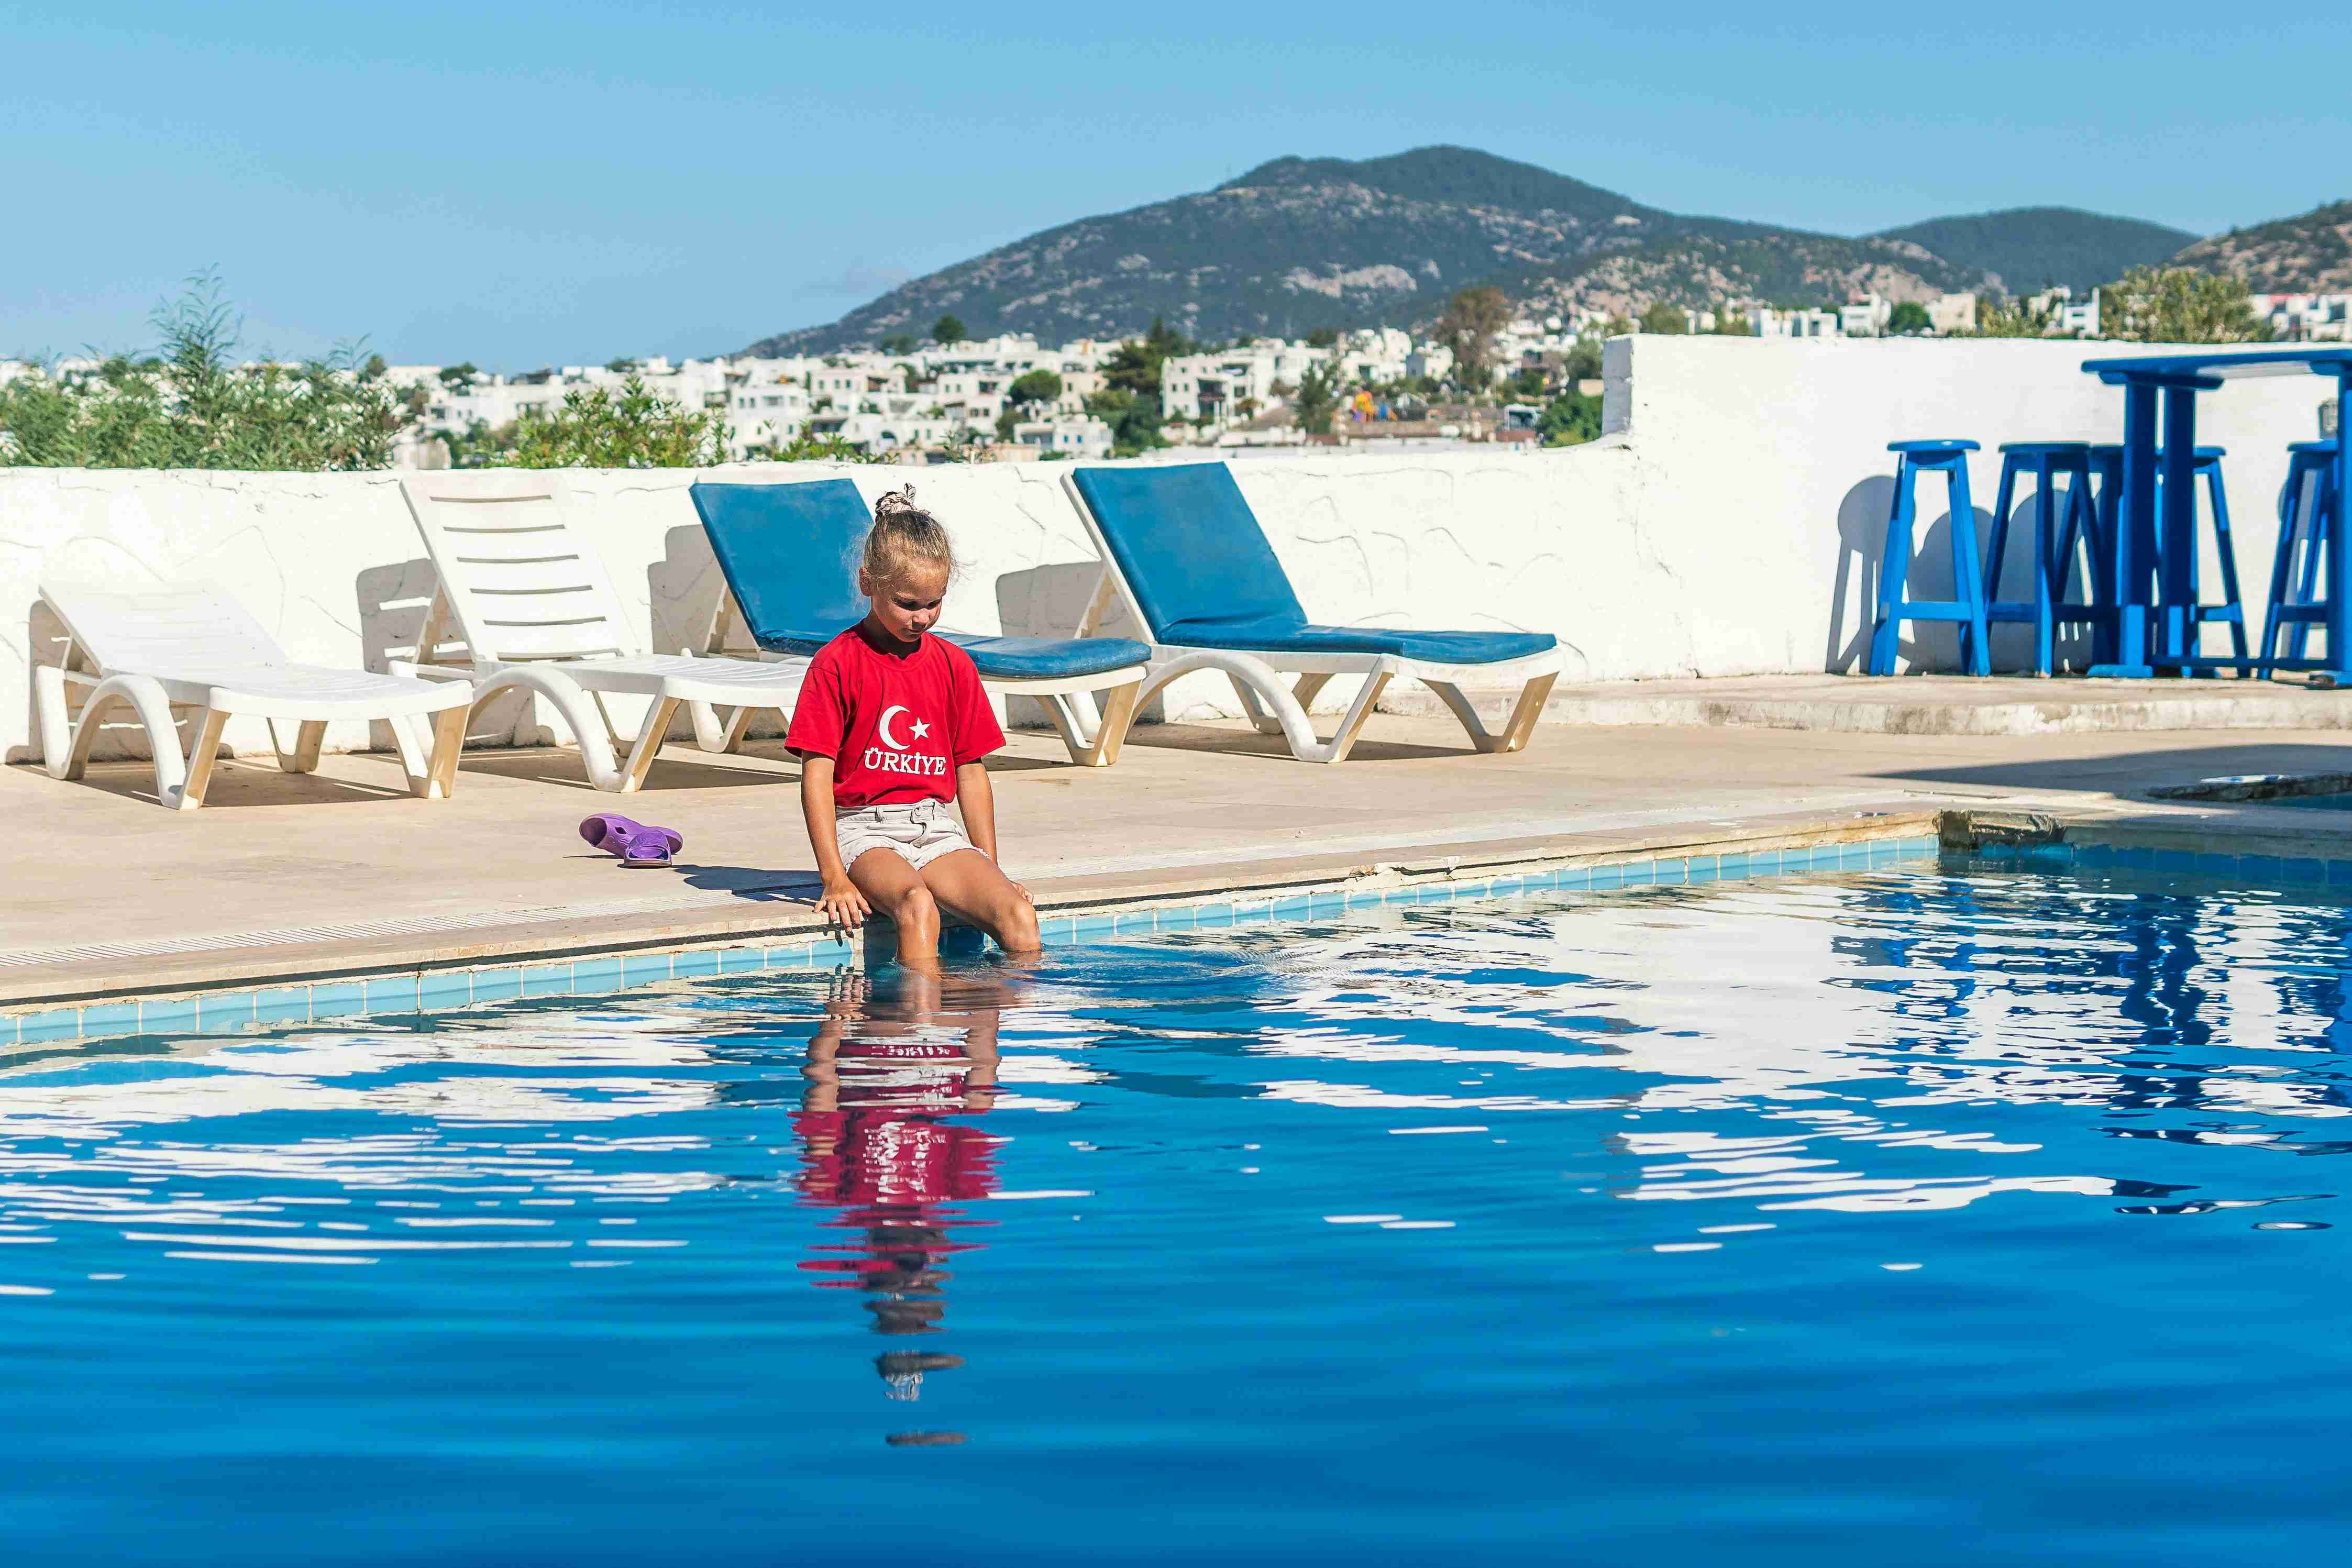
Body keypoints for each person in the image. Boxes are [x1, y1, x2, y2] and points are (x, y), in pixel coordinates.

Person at [784, 485, 1042, 969]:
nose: (922, 618)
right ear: (867, 582)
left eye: (934, 603)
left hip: (933, 826)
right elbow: (816, 776)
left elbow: (971, 770)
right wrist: (833, 876)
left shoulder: (953, 664)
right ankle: (914, 1028)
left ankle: (996, 1029)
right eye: (907, 604)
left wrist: (988, 864)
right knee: (917, 906)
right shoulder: (836, 664)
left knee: (1017, 914)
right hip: (864, 830)